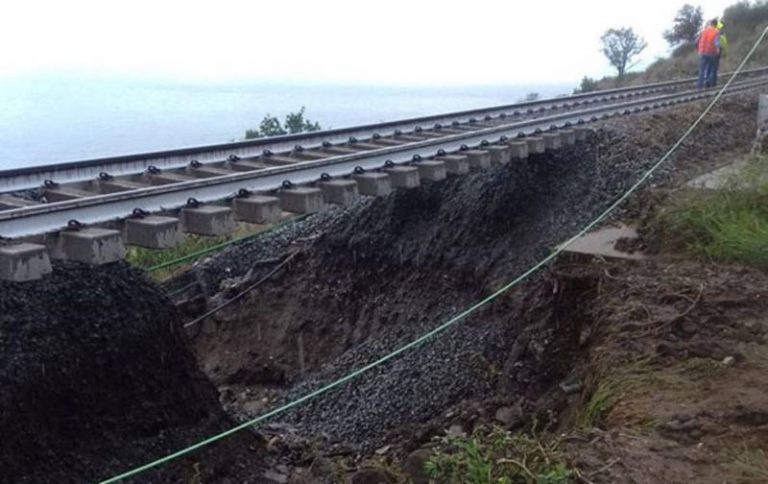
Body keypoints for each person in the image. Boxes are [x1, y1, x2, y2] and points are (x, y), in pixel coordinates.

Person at [697, 19, 721, 89]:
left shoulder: (704, 30)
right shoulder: (716, 31)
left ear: (710, 24)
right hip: (711, 53)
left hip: (702, 52)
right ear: (716, 25)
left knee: (702, 70)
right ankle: (711, 85)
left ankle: (700, 86)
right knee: (713, 69)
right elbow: (716, 43)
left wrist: (699, 50)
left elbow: (698, 40)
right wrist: (718, 51)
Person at [712, 19, 728, 86]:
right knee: (715, 66)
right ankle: (713, 81)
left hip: (713, 49)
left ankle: (711, 81)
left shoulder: (717, 28)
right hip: (717, 48)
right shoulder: (719, 30)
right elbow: (722, 40)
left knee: (712, 66)